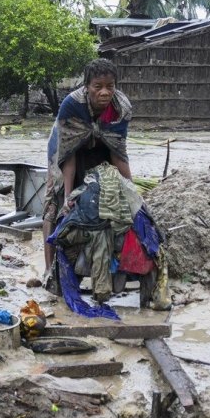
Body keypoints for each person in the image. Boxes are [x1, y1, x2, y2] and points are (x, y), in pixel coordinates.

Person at [42, 58, 133, 285]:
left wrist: (132, 191)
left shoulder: (121, 109)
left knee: (110, 198)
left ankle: (105, 267)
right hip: (65, 147)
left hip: (102, 147)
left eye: (110, 86)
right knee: (54, 204)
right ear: (87, 86)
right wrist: (68, 196)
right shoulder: (72, 105)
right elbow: (68, 155)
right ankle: (48, 271)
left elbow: (118, 152)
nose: (104, 92)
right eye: (98, 87)